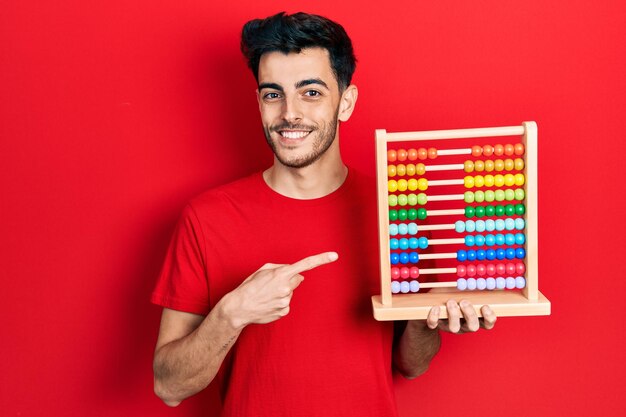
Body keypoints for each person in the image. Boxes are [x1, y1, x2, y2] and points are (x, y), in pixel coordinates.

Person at [151, 11, 497, 416]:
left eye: (310, 92)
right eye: (272, 94)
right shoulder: (207, 218)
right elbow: (169, 386)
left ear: (345, 102)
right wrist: (233, 313)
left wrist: (424, 322)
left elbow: (412, 365)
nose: (289, 114)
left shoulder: (399, 214)